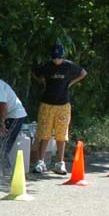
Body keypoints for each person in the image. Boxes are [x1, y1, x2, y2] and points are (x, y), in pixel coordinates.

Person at [31, 44, 87, 174]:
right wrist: (42, 81)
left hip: (63, 105)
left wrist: (70, 83)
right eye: (55, 58)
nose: (57, 60)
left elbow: (83, 73)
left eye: (59, 58)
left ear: (63, 57)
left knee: (61, 135)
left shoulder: (68, 66)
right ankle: (41, 162)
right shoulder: (46, 66)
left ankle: (60, 163)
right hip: (47, 104)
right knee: (44, 134)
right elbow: (34, 72)